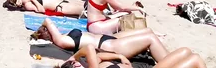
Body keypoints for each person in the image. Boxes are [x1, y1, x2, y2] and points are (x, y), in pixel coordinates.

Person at [32, 18, 168, 62]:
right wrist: (45, 26)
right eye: (47, 30)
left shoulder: (65, 36)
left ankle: (168, 55)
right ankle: (171, 61)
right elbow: (48, 20)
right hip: (110, 45)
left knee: (148, 31)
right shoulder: (62, 41)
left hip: (107, 38)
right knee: (150, 38)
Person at [58, 44, 207, 68]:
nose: (78, 64)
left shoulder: (93, 63)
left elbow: (99, 56)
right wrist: (73, 58)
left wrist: (121, 57)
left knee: (185, 51)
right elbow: (89, 48)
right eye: (76, 66)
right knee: (195, 59)